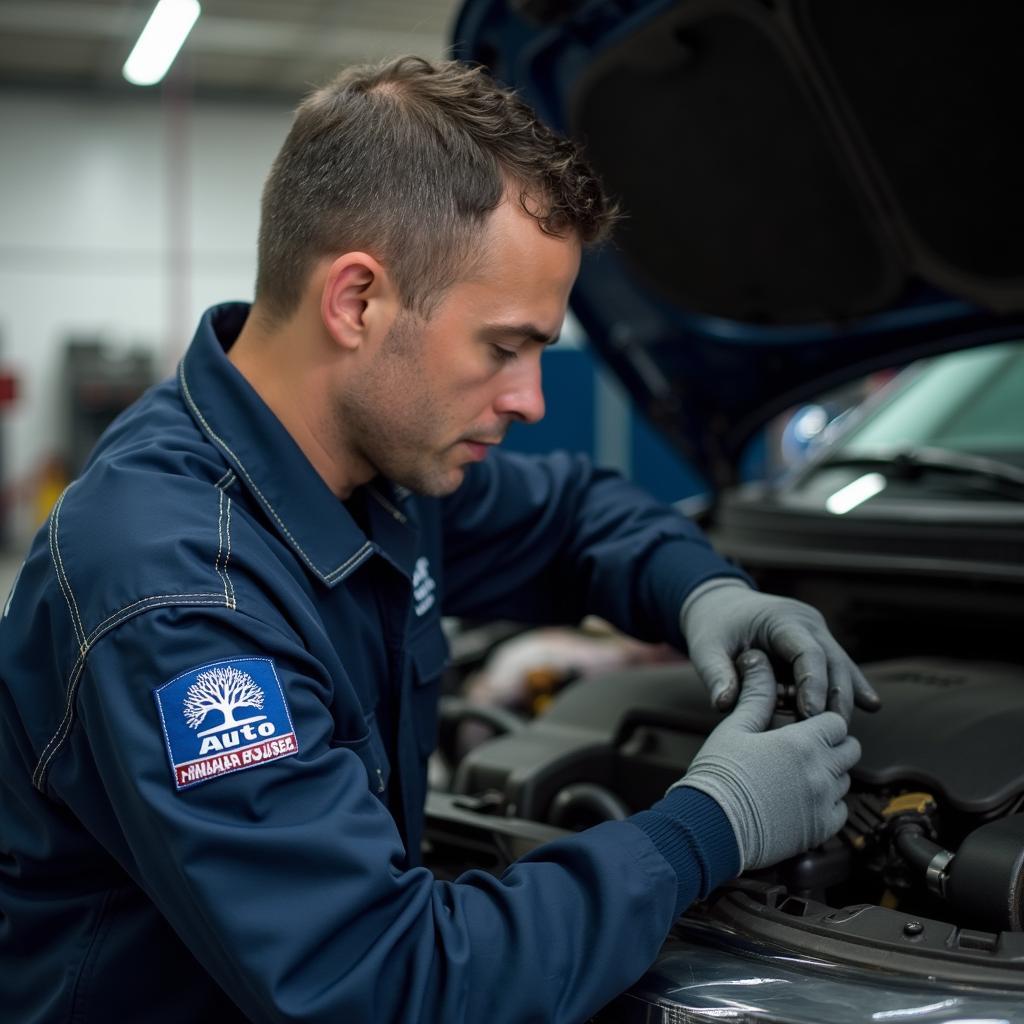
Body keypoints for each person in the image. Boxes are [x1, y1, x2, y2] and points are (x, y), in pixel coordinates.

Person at [0, 56, 877, 1023]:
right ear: (357, 301)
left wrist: (705, 591)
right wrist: (708, 825)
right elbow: (382, 983)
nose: (532, 400)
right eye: (504, 348)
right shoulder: (176, 595)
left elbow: (574, 513)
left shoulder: (371, 470)